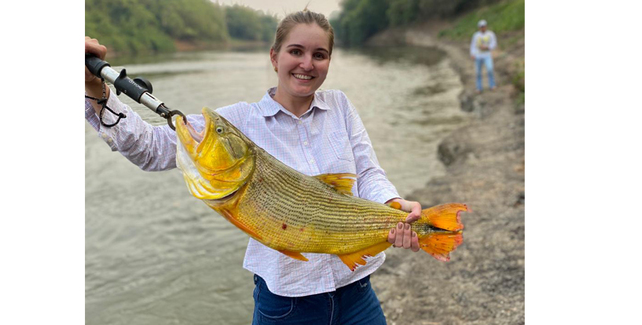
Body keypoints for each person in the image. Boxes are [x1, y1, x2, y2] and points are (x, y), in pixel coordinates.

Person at [86, 10, 423, 325]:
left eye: (319, 55)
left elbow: (367, 174)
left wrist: (393, 207)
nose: (307, 64)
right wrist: (96, 88)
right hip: (286, 303)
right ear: (275, 57)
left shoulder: (340, 106)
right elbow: (149, 148)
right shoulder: (238, 121)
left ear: (328, 62)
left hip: (357, 294)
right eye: (296, 51)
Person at [470, 19, 497, 93]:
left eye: (484, 26)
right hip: (478, 55)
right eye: (481, 27)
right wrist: (472, 54)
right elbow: (473, 45)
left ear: (486, 26)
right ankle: (479, 87)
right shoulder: (476, 35)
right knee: (478, 72)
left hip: (487, 55)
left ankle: (492, 85)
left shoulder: (490, 34)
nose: (483, 28)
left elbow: (494, 43)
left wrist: (488, 47)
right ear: (479, 27)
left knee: (490, 69)